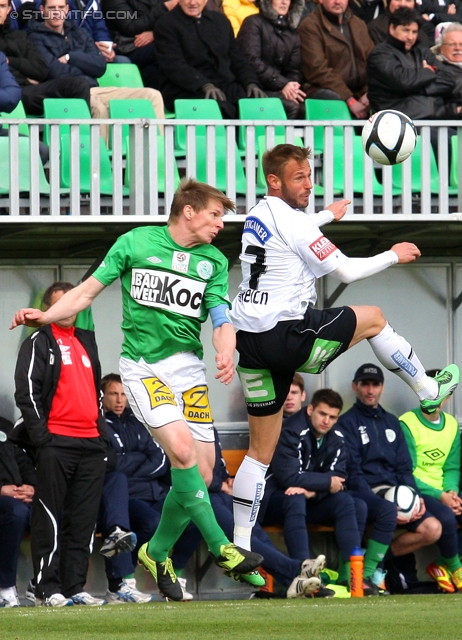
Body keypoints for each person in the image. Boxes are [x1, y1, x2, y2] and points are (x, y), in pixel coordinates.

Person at [10, 178, 264, 602]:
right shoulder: (135, 243)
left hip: (188, 369)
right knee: (182, 453)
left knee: (201, 473)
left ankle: (156, 551)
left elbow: (221, 320)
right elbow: (86, 293)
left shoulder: (214, 261)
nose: (221, 224)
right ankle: (223, 547)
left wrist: (226, 350)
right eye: (215, 215)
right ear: (189, 211)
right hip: (144, 368)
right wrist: (45, 316)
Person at [228, 142, 459, 559]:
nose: (309, 184)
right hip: (287, 337)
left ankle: (240, 545)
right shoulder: (298, 226)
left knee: (259, 453)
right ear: (274, 180)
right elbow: (347, 270)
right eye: (299, 178)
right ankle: (427, 389)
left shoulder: (257, 215)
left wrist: (324, 215)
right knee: (373, 317)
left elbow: (294, 229)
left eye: (310, 175)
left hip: (252, 344)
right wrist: (394, 253)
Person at [12, 281, 109, 607]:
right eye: (60, 304)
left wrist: (102, 436)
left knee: (83, 520)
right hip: (56, 443)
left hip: (91, 445)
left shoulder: (86, 341)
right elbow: (26, 392)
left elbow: (96, 392)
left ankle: (74, 586)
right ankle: (45, 587)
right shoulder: (38, 341)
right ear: (49, 308)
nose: (68, 309)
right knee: (49, 518)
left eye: (73, 303)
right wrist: (43, 440)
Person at [263, 388, 394, 595]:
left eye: (333, 417)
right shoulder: (291, 430)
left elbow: (339, 480)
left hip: (311, 500)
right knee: (295, 497)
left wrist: (314, 491)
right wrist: (325, 482)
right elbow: (288, 477)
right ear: (310, 410)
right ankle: (306, 577)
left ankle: (353, 576)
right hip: (276, 501)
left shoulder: (337, 437)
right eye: (322, 414)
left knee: (347, 501)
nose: (327, 421)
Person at [336, 363, 448, 594]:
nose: (370, 390)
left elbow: (404, 469)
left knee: (433, 528)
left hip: (397, 492)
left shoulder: (391, 422)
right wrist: (378, 502)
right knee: (384, 511)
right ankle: (366, 577)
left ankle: (375, 562)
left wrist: (414, 500)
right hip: (366, 492)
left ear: (382, 388)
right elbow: (353, 472)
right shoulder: (347, 423)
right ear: (355, 387)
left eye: (375, 384)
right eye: (365, 384)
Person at [99, 373, 196, 603]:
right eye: (114, 394)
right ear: (103, 397)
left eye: (123, 394)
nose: (120, 399)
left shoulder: (139, 422)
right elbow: (111, 465)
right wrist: (140, 459)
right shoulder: (99, 424)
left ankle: (176, 577)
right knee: (152, 523)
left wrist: (130, 462)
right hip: (127, 497)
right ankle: (125, 579)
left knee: (192, 515)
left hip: (154, 491)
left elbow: (161, 459)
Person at [28, 0, 165, 140]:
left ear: (67, 9)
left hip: (96, 89)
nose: (56, 11)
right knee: (99, 109)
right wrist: (86, 65)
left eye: (60, 7)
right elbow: (55, 72)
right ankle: (100, 160)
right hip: (70, 93)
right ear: (42, 10)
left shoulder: (79, 32)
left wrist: (71, 57)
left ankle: (159, 154)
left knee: (152, 95)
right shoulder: (35, 38)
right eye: (51, 8)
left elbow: (100, 66)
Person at [399, 370, 462, 593]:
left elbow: (452, 467)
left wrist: (452, 492)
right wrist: (441, 496)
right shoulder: (407, 422)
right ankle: (456, 569)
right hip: (418, 490)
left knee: (453, 510)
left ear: (448, 396)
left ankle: (445, 564)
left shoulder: (452, 425)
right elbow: (406, 470)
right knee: (445, 516)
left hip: (445, 491)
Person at [154, 0, 266, 117]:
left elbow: (237, 59)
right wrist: (204, 85)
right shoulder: (166, 24)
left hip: (224, 85)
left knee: (257, 105)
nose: (193, 3)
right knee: (220, 109)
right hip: (185, 89)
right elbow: (173, 65)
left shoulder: (220, 21)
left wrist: (251, 82)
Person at [367, 8, 462, 119]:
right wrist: (428, 72)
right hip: (397, 123)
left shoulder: (422, 52)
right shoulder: (380, 54)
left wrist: (416, 87)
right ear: (392, 29)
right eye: (405, 30)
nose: (410, 37)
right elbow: (403, 80)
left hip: (432, 117)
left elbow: (448, 79)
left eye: (414, 32)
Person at [297, 0, 374, 119]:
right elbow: (317, 70)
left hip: (360, 92)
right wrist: (348, 99)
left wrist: (368, 92)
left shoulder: (359, 25)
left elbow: (373, 63)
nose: (337, 2)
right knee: (333, 98)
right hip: (324, 89)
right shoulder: (310, 26)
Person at [237, 0, 306, 119]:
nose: (284, 2)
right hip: (254, 88)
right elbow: (251, 60)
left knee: (305, 106)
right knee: (292, 107)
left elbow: (294, 69)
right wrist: (282, 84)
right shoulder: (253, 23)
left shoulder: (293, 33)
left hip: (280, 89)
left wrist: (291, 88)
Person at [0, 415, 35, 608]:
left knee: (56, 513)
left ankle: (43, 582)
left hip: (18, 496)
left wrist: (30, 486)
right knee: (17, 513)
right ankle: (4, 586)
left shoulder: (4, 425)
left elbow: (21, 459)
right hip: (6, 499)